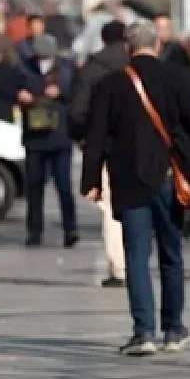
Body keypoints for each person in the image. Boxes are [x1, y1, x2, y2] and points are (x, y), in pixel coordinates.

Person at [81, 21, 190, 355]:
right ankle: (174, 329)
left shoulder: (110, 84)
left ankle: (143, 331)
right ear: (159, 46)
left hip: (130, 178)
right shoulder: (179, 79)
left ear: (128, 48)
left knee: (136, 255)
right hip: (172, 178)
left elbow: (96, 138)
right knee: (171, 254)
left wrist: (91, 181)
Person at [70, 20, 130, 287]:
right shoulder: (137, 68)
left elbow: (77, 111)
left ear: (103, 40)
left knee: (110, 208)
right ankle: (137, 260)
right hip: (142, 147)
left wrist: (84, 137)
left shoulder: (93, 69)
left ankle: (120, 267)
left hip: (106, 145)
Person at [18, 34, 79, 247]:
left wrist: (60, 92)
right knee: (34, 186)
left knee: (64, 186)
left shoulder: (66, 69)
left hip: (59, 136)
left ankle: (70, 229)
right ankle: (34, 230)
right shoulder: (25, 68)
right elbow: (14, 87)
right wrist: (23, 95)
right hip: (34, 137)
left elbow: (75, 93)